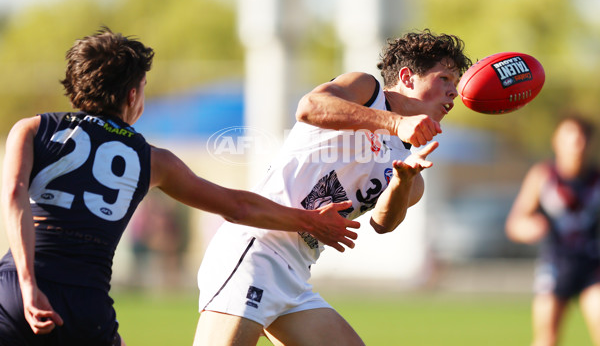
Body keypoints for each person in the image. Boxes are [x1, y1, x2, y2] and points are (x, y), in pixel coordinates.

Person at [0, 27, 360, 346]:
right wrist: (310, 220)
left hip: (13, 291)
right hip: (85, 305)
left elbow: (15, 195)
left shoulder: (30, 129)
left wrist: (29, 284)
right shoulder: (152, 160)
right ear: (131, 96)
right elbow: (238, 207)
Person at [194, 29, 472, 346]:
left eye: (457, 82)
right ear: (407, 77)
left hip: (295, 272)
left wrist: (401, 182)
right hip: (254, 250)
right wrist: (394, 123)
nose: (455, 92)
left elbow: (384, 223)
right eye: (445, 79)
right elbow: (309, 107)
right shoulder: (366, 90)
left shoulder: (410, 167)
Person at [505, 115, 600, 346]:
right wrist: (530, 227)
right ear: (556, 141)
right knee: (546, 338)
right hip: (556, 264)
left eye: (581, 138)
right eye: (570, 137)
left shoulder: (596, 179)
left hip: (593, 265)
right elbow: (515, 224)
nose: (576, 144)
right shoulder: (543, 176)